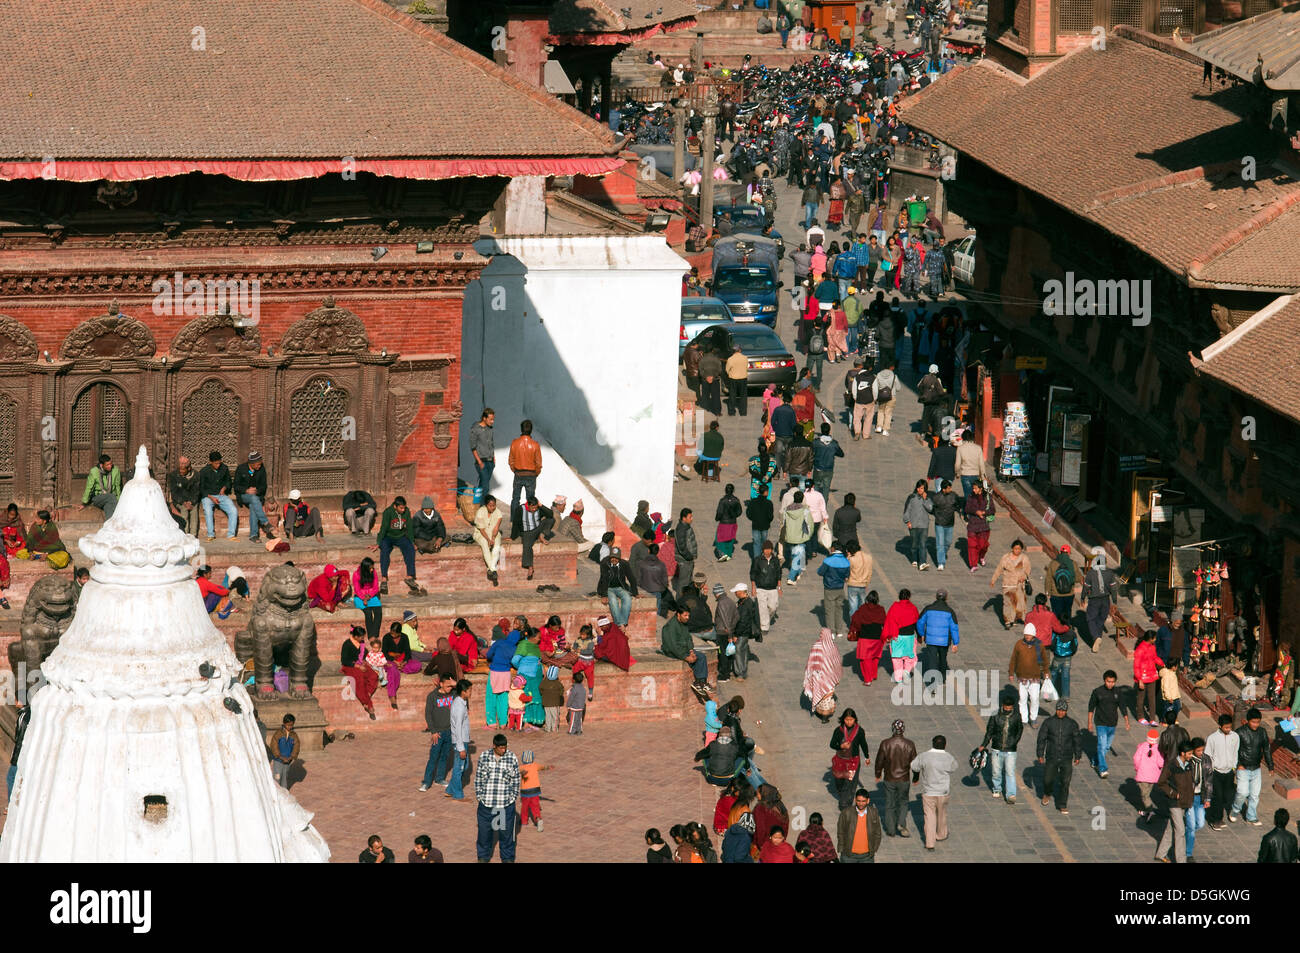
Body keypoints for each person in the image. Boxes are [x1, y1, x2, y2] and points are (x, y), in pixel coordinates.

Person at [474, 734, 521, 862]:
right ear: (494, 746)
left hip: (505, 805)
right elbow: (478, 778)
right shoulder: (484, 757)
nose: (503, 750)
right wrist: (480, 796)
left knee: (506, 835)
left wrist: (512, 797)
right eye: (501, 748)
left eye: (505, 747)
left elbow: (516, 780)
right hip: (486, 805)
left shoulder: (511, 758)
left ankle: (507, 858)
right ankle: (483, 857)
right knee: (484, 834)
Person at [911, 735, 958, 850]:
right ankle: (941, 835)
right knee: (942, 814)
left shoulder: (924, 756)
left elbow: (914, 766)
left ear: (932, 743)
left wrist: (917, 776)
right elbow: (954, 768)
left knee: (929, 817)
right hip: (943, 792)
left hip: (929, 792)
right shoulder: (948, 757)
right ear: (945, 745)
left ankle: (930, 843)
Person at [1036, 700, 1082, 815]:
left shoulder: (1072, 724)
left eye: (1063, 710)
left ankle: (1062, 804)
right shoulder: (1048, 722)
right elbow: (1041, 739)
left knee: (1065, 782)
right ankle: (1047, 793)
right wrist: (1040, 754)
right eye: (1059, 710)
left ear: (1066, 711)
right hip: (1052, 756)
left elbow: (1077, 741)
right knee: (1047, 779)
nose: (1060, 712)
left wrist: (1077, 755)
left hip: (1066, 757)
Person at [1230, 707, 1275, 826]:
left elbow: (1266, 749)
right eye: (1253, 722)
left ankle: (1251, 816)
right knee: (1242, 792)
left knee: (1255, 795)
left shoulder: (1262, 732)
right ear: (1247, 721)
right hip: (1243, 768)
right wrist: (1238, 765)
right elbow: (1234, 751)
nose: (1255, 724)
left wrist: (1270, 766)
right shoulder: (1239, 733)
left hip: (1256, 768)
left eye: (1257, 722)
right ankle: (1235, 810)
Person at [875, 719, 917, 838]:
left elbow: (879, 761)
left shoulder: (885, 743)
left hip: (889, 778)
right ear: (903, 729)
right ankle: (901, 824)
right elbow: (914, 764)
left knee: (889, 804)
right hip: (904, 779)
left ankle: (890, 830)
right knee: (903, 803)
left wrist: (878, 774)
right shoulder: (909, 744)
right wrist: (916, 777)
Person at [980, 692, 1024, 803]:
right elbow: (989, 731)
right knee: (996, 771)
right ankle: (997, 788)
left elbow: (1019, 730)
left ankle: (1011, 795)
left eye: (1010, 707)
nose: (1008, 709)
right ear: (1003, 705)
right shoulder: (995, 715)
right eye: (1006, 706)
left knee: (1010, 772)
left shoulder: (1016, 716)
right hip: (996, 748)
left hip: (1011, 750)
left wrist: (1014, 741)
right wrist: (984, 744)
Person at [1154, 741, 1194, 863]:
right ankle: (1181, 860)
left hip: (1184, 801)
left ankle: (1161, 854)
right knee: (1180, 831)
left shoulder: (1188, 764)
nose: (1191, 755)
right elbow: (1161, 782)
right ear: (1183, 753)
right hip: (1174, 802)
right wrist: (1172, 793)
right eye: (1189, 753)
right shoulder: (1171, 765)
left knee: (1171, 828)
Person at [1087, 670, 1128, 778]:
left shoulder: (1118, 692)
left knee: (1107, 746)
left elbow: (1122, 706)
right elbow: (1091, 708)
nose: (1110, 684)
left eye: (1112, 682)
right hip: (1100, 723)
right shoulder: (1097, 692)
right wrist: (1089, 723)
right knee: (1102, 745)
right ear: (1104, 680)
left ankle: (1095, 760)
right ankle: (1103, 769)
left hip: (1112, 724)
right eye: (1108, 681)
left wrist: (1126, 720)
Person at [508, 419, 543, 537]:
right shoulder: (535, 445)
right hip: (531, 474)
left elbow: (511, 461)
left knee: (515, 499)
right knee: (530, 500)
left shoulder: (515, 443)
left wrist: (516, 470)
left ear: (521, 429)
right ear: (531, 430)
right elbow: (538, 464)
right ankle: (531, 522)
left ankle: (514, 521)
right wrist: (535, 473)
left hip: (518, 473)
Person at [916, 588, 959, 681]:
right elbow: (954, 628)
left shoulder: (928, 609)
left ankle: (933, 680)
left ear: (936, 597)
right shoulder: (950, 611)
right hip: (944, 641)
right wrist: (955, 643)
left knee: (932, 661)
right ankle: (942, 677)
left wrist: (921, 634)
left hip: (931, 640)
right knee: (943, 659)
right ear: (946, 598)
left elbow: (920, 622)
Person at [1204, 714, 1239, 829]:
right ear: (1220, 726)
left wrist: (1234, 767)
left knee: (1226, 796)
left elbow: (1235, 753)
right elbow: (1208, 756)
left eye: (1229, 727)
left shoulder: (1235, 737)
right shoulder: (1212, 738)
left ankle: (1218, 816)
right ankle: (1216, 820)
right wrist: (1210, 771)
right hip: (1216, 772)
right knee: (1217, 796)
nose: (1228, 730)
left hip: (1229, 772)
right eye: (1226, 728)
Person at [232, 451, 275, 543]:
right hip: (243, 496)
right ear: (251, 463)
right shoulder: (241, 469)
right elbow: (236, 486)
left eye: (260, 464)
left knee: (254, 505)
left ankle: (253, 535)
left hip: (256, 496)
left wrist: (257, 490)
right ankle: (265, 523)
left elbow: (264, 486)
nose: (259, 466)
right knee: (253, 499)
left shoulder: (261, 469)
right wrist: (246, 490)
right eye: (258, 464)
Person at [990, 539, 1033, 629]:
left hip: (1018, 584)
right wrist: (993, 579)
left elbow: (1028, 570)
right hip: (1007, 583)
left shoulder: (1024, 558)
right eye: (1015, 549)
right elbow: (999, 569)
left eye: (1019, 549)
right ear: (1012, 548)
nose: (1017, 551)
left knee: (1016, 603)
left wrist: (1024, 577)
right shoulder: (1005, 557)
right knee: (1007, 603)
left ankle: (1013, 619)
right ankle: (1007, 621)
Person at [1082, 548, 1119, 651]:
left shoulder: (1091, 573)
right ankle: (1097, 638)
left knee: (1090, 618)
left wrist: (1082, 597)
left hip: (1094, 600)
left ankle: (1096, 637)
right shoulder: (1110, 573)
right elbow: (1114, 588)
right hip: (1105, 600)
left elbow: (1086, 587)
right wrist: (1115, 601)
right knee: (1101, 619)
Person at [340, 626, 378, 720]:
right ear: (355, 636)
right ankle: (369, 705)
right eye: (361, 637)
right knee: (359, 679)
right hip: (351, 666)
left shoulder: (361, 644)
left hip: (361, 664)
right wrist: (357, 666)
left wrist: (365, 662)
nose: (362, 639)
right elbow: (344, 660)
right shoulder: (347, 644)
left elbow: (364, 654)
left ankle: (366, 696)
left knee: (373, 675)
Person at [803, 628, 841, 723]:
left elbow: (811, 660)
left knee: (819, 694)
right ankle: (825, 716)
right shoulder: (832, 646)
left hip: (817, 676)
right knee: (827, 697)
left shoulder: (816, 645)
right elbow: (836, 662)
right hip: (829, 677)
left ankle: (821, 713)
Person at [198, 451, 238, 541]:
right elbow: (201, 488)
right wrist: (211, 497)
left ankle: (231, 535)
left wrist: (224, 488)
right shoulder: (204, 471)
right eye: (216, 463)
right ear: (210, 462)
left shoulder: (224, 468)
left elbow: (228, 482)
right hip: (208, 496)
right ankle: (210, 535)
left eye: (219, 463)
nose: (218, 465)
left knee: (233, 510)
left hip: (221, 495)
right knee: (208, 512)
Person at [883, 589, 920, 682]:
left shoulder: (894, 607)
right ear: (909, 597)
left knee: (897, 658)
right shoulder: (913, 608)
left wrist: (887, 636)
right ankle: (906, 673)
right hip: (909, 637)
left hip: (897, 637)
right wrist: (919, 636)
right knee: (909, 658)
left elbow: (888, 622)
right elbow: (917, 623)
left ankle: (898, 678)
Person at [837, 789, 883, 863]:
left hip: (867, 857)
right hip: (849, 855)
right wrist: (842, 848)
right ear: (855, 800)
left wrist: (874, 848)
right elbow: (840, 831)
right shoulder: (846, 812)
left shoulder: (873, 813)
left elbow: (878, 833)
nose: (861, 804)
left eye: (863, 801)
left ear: (868, 801)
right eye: (859, 801)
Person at [596, 546, 638, 627]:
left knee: (627, 598)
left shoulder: (624, 564)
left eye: (616, 558)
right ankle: (620, 625)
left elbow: (631, 578)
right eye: (612, 557)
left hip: (619, 587)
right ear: (610, 557)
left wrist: (635, 593)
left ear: (619, 558)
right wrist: (604, 595)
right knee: (613, 600)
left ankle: (623, 623)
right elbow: (604, 579)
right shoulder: (605, 563)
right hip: (608, 588)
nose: (614, 559)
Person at [447, 679, 473, 800]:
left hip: (463, 740)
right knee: (459, 768)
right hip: (460, 741)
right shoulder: (459, 707)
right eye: (469, 690)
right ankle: (458, 794)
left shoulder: (461, 702)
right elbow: (457, 728)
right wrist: (461, 747)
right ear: (463, 692)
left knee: (464, 766)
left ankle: (450, 789)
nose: (471, 692)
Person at [817, 544, 851, 637]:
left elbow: (820, 572)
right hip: (840, 588)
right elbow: (847, 575)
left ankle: (831, 631)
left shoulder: (828, 560)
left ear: (833, 548)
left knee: (829, 610)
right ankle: (839, 631)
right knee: (839, 609)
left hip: (829, 588)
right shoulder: (846, 562)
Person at [1044, 544, 1082, 626]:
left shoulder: (1053, 563)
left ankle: (1057, 631)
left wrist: (1047, 592)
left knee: (1056, 614)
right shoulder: (1073, 563)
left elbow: (1048, 579)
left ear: (1060, 552)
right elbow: (1078, 578)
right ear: (1069, 553)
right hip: (1069, 594)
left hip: (1055, 594)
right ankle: (1067, 629)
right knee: (1067, 612)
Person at [1134, 727, 1166, 822]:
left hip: (1142, 775)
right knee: (1147, 793)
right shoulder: (1159, 749)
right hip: (1153, 777)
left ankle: (1150, 810)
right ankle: (1145, 810)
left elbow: (1136, 759)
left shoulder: (1142, 747)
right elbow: (1161, 763)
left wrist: (1137, 768)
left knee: (1145, 795)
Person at [782, 491, 813, 585]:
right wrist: (809, 535)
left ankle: (798, 572)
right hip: (800, 536)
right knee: (797, 557)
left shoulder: (787, 509)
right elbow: (810, 524)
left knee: (795, 555)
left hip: (790, 536)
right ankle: (791, 578)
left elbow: (784, 522)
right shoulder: (805, 510)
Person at [80, 453, 123, 520]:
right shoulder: (94, 471)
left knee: (109, 506)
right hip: (97, 498)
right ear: (101, 465)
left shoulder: (115, 470)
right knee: (111, 497)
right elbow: (89, 488)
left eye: (111, 464)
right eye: (107, 465)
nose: (110, 466)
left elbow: (118, 487)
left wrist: (120, 501)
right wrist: (84, 502)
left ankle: (109, 525)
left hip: (110, 498)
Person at [473, 495, 504, 586]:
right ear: (486, 505)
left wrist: (493, 538)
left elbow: (496, 528)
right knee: (485, 545)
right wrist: (488, 539)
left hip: (494, 534)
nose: (492, 507)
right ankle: (493, 569)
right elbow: (481, 530)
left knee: (497, 547)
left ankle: (490, 569)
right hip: (481, 534)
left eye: (494, 505)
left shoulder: (498, 512)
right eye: (490, 506)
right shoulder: (480, 512)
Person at [963, 481, 993, 572]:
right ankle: (973, 564)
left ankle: (981, 556)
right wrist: (976, 512)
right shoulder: (970, 497)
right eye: (973, 488)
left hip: (984, 526)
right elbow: (967, 508)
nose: (973, 490)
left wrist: (984, 512)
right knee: (972, 545)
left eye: (975, 488)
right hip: (973, 525)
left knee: (983, 545)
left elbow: (992, 510)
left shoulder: (987, 497)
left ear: (980, 489)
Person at [903, 480, 933, 571]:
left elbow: (930, 509)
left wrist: (925, 500)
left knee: (923, 544)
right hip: (914, 525)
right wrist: (907, 521)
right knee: (914, 543)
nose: (920, 490)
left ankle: (922, 563)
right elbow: (907, 510)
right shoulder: (911, 497)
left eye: (922, 488)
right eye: (919, 488)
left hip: (924, 525)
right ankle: (914, 559)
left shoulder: (928, 499)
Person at [166, 456, 201, 535]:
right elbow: (174, 492)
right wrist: (183, 502)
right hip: (180, 500)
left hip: (192, 500)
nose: (181, 470)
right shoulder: (173, 475)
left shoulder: (196, 475)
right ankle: (184, 534)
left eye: (183, 468)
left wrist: (191, 502)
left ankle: (193, 535)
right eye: (180, 467)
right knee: (184, 511)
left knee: (194, 511)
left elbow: (196, 491)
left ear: (189, 468)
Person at [1133, 629, 1160, 726]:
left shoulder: (1152, 647)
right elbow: (1136, 666)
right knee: (1141, 698)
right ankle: (1140, 716)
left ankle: (1152, 718)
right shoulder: (1140, 650)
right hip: (1142, 677)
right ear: (1151, 639)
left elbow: (1154, 657)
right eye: (1155, 638)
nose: (1156, 639)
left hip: (1152, 675)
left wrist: (1161, 663)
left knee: (1152, 698)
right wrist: (1139, 680)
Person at [811, 423, 843, 499]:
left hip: (818, 468)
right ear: (829, 431)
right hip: (829, 469)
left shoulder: (816, 442)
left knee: (816, 486)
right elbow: (841, 454)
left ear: (821, 430)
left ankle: (815, 503)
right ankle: (824, 506)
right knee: (826, 488)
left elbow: (811, 451)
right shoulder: (834, 443)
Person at [268, 714, 299, 789]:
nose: (289, 727)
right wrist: (280, 757)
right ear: (284, 723)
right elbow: (273, 746)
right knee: (277, 777)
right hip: (278, 760)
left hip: (288, 760)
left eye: (291, 725)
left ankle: (284, 794)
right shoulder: (278, 734)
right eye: (288, 725)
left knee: (285, 778)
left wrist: (291, 757)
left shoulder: (294, 735)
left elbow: (296, 747)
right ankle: (276, 793)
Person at [469, 407, 496, 495]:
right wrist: (479, 461)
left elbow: (491, 444)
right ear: (484, 418)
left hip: (490, 461)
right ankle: (483, 506)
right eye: (491, 419)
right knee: (486, 487)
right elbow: (473, 447)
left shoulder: (490, 429)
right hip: (482, 461)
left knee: (483, 484)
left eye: (493, 419)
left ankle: (477, 501)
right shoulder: (475, 429)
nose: (492, 421)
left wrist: (493, 458)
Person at [518, 750, 546, 832]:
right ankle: (538, 818)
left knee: (525, 807)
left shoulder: (521, 767)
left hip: (525, 792)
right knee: (535, 807)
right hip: (535, 791)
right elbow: (543, 767)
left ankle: (524, 821)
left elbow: (515, 771)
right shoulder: (535, 765)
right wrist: (548, 767)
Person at [714, 483, 743, 561]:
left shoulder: (722, 501)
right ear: (733, 491)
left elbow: (719, 512)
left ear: (725, 490)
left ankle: (722, 554)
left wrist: (717, 518)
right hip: (733, 522)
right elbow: (739, 512)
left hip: (724, 522)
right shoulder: (736, 500)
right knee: (730, 539)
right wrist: (734, 515)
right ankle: (728, 554)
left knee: (719, 539)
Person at [954, 428, 985, 499]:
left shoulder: (960, 448)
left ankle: (967, 509)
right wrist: (983, 476)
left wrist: (957, 473)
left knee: (967, 495)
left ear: (963, 438)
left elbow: (957, 464)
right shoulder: (978, 448)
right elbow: (981, 464)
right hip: (976, 475)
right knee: (976, 495)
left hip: (965, 475)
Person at [674, 507, 698, 597]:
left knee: (688, 582)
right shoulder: (681, 529)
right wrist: (689, 557)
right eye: (690, 517)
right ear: (684, 518)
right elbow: (682, 548)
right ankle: (680, 603)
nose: (692, 519)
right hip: (684, 560)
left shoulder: (686, 526)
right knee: (683, 583)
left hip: (688, 560)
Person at [745, 484, 774, 557]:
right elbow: (770, 516)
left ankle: (756, 560)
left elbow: (748, 513)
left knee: (756, 543)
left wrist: (753, 519)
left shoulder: (753, 501)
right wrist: (768, 521)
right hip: (765, 526)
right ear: (766, 492)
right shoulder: (769, 503)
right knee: (764, 542)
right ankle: (763, 558)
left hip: (755, 525)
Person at [724, 345, 749, 416]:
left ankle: (732, 412)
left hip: (733, 379)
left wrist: (730, 374)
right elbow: (746, 367)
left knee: (732, 395)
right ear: (740, 350)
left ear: (733, 351)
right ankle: (743, 412)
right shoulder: (745, 358)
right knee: (743, 396)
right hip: (743, 378)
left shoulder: (730, 359)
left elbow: (727, 370)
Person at [567, 670, 589, 734]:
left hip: (574, 707)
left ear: (574, 680)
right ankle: (579, 730)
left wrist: (568, 705)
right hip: (581, 707)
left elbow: (571, 698)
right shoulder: (583, 688)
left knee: (573, 720)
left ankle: (571, 731)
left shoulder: (574, 689)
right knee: (579, 720)